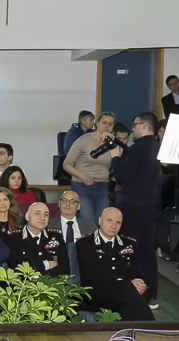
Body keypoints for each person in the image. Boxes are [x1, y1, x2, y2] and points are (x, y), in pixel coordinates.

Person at [110, 112, 162, 308]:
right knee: (147, 250)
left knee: (129, 249)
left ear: (144, 125)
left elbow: (122, 175)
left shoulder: (138, 148)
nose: (133, 130)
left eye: (135, 125)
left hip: (133, 205)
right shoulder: (156, 146)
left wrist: (115, 158)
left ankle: (133, 293)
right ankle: (150, 293)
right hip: (151, 204)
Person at [76, 207, 155, 321]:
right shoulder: (84, 244)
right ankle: (153, 328)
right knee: (129, 292)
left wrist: (139, 283)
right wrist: (127, 284)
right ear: (100, 221)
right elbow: (92, 277)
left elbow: (136, 272)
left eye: (118, 222)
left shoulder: (129, 244)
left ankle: (144, 330)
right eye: (109, 220)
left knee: (134, 299)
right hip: (95, 295)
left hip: (124, 294)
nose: (113, 226)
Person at [62, 112, 114, 222]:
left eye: (110, 124)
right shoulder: (84, 140)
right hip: (82, 185)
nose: (107, 126)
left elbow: (115, 165)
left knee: (101, 221)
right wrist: (82, 176)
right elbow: (66, 164)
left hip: (103, 186)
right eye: (104, 123)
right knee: (88, 220)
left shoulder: (113, 144)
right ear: (97, 123)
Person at [4, 202, 69, 276]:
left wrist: (39, 275)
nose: (42, 218)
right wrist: (46, 264)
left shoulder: (56, 237)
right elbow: (16, 268)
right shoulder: (13, 238)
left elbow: (65, 268)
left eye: (46, 214)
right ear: (27, 216)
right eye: (37, 213)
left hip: (53, 282)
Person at [48, 190, 96, 284]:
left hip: (82, 266)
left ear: (78, 206)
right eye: (64, 200)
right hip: (57, 265)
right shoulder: (48, 225)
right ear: (59, 204)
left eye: (72, 201)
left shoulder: (90, 226)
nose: (68, 204)